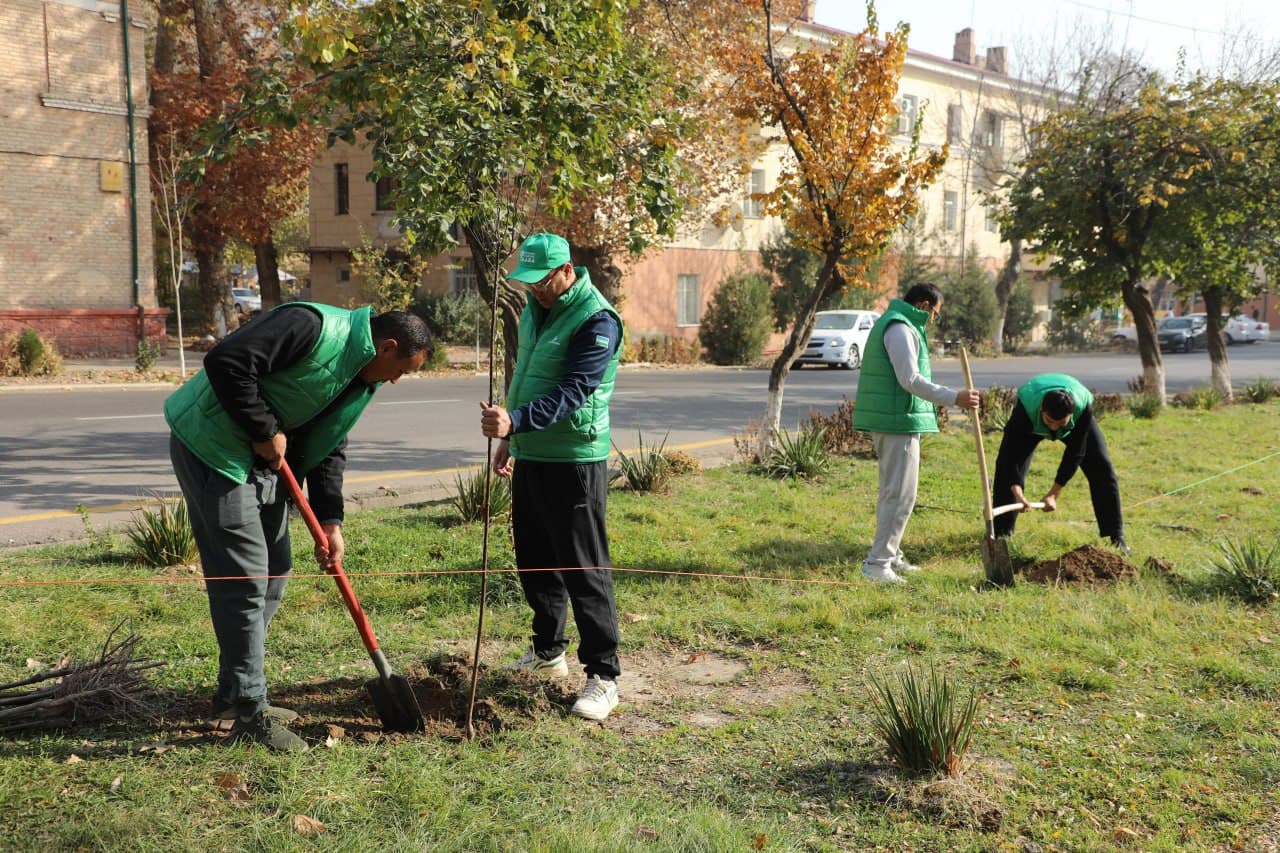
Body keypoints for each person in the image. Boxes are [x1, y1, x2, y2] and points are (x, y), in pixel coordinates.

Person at [164, 303, 432, 751]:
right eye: (400, 370)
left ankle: (232, 694)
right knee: (245, 580)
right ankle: (250, 711)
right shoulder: (311, 327)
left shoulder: (359, 376)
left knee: (275, 569)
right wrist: (263, 428)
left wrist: (330, 520)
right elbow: (226, 361)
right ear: (386, 347)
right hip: (214, 448)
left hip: (263, 459)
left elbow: (329, 443)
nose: (395, 381)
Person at [479, 232, 623, 721]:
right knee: (535, 560)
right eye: (528, 284)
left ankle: (604, 676)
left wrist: (516, 421)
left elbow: (575, 391)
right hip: (532, 452)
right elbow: (527, 377)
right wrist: (512, 437)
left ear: (567, 271)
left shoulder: (596, 319)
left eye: (542, 282)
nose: (535, 291)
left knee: (584, 569)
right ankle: (548, 651)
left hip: (574, 459)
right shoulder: (534, 311)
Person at [852, 283, 981, 584]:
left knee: (900, 494)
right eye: (935, 313)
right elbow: (910, 379)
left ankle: (891, 554)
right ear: (924, 305)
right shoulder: (900, 329)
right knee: (898, 494)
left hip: (899, 418)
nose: (934, 320)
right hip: (897, 421)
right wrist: (955, 397)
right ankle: (877, 564)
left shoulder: (901, 325)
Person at [992, 373, 1127, 552]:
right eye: (1049, 421)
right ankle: (1001, 534)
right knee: (1004, 471)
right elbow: (1010, 457)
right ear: (1042, 409)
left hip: (1074, 419)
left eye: (1060, 423)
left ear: (1071, 414)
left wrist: (1053, 493)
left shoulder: (1082, 408)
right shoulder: (1026, 408)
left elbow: (1075, 454)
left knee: (1102, 468)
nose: (1054, 427)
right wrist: (1017, 493)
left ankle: (1116, 536)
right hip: (1032, 419)